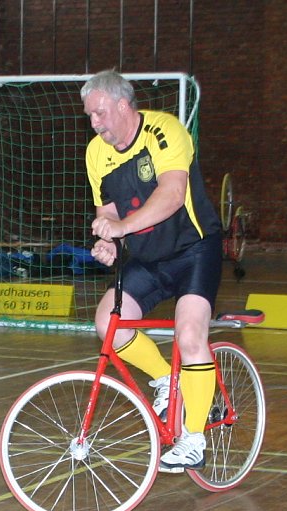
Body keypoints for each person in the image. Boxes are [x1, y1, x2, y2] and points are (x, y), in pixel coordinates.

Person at [81, 70, 223, 472]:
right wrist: (109, 242)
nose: (94, 123)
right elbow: (107, 212)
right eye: (90, 116)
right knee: (108, 322)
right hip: (147, 256)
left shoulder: (165, 131)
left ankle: (193, 439)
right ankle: (166, 380)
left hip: (193, 248)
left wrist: (123, 227)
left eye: (100, 113)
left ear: (124, 105)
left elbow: (173, 194)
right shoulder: (97, 153)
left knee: (190, 333)